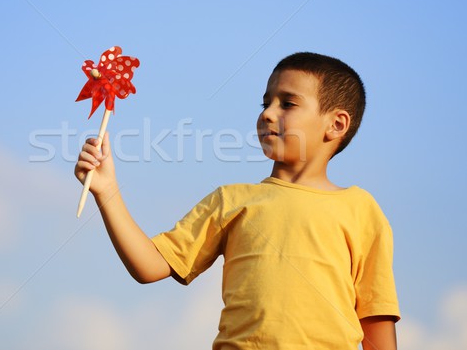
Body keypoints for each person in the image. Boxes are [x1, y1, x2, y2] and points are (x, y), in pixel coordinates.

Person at [74, 52, 400, 349]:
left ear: (336, 124)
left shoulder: (360, 209)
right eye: (265, 103)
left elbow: (376, 324)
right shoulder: (230, 200)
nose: (268, 114)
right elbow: (149, 266)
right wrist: (107, 191)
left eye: (287, 103)